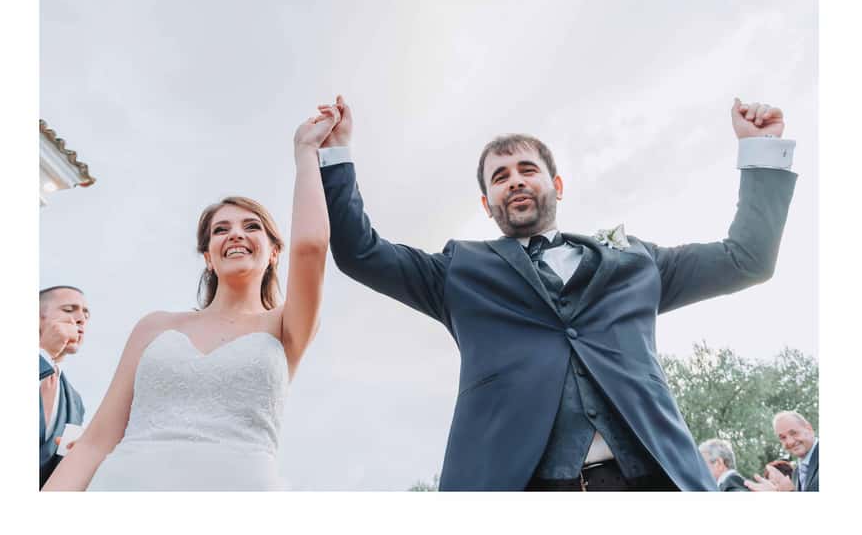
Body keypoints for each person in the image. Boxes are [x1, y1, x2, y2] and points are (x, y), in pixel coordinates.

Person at [319, 95, 796, 491]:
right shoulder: (457, 272)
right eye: (500, 177)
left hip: (652, 480)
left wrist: (760, 152)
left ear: (557, 185)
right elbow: (361, 253)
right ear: (488, 204)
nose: (516, 180)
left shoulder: (635, 261)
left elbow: (745, 260)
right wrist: (336, 156)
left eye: (527, 169)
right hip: (524, 487)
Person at [42, 105, 339, 491]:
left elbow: (313, 246)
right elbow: (95, 442)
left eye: (252, 226)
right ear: (207, 256)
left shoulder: (286, 327)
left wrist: (305, 152)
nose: (235, 234)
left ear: (274, 252)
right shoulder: (156, 326)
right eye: (221, 229)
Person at [39, 285, 90, 488]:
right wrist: (44, 353)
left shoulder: (76, 402)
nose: (81, 319)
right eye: (69, 310)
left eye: (86, 314)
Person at [746, 411, 818, 492]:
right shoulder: (796, 473)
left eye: (793, 433)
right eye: (783, 438)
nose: (790, 442)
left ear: (809, 429)